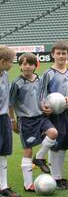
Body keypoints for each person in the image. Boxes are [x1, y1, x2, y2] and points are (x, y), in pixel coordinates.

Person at [10, 53, 58, 192]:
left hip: (41, 117)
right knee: (28, 150)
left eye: (30, 64)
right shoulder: (17, 83)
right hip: (26, 121)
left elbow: (42, 96)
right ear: (20, 66)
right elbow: (10, 104)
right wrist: (12, 120)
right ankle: (28, 184)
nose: (27, 67)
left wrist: (45, 106)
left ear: (35, 65)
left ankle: (39, 158)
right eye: (24, 64)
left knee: (53, 133)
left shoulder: (40, 79)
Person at [39, 40, 68, 189]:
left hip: (67, 112)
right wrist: (45, 107)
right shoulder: (48, 73)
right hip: (54, 113)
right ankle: (55, 177)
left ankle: (59, 176)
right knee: (56, 144)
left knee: (63, 145)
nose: (61, 56)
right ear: (53, 54)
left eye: (64, 53)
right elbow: (42, 94)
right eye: (58, 53)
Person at [0, 45, 20, 197]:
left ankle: (3, 186)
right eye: (11, 61)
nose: (13, 64)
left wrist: (11, 118)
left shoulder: (5, 75)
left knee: (3, 153)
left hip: (4, 118)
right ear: (2, 61)